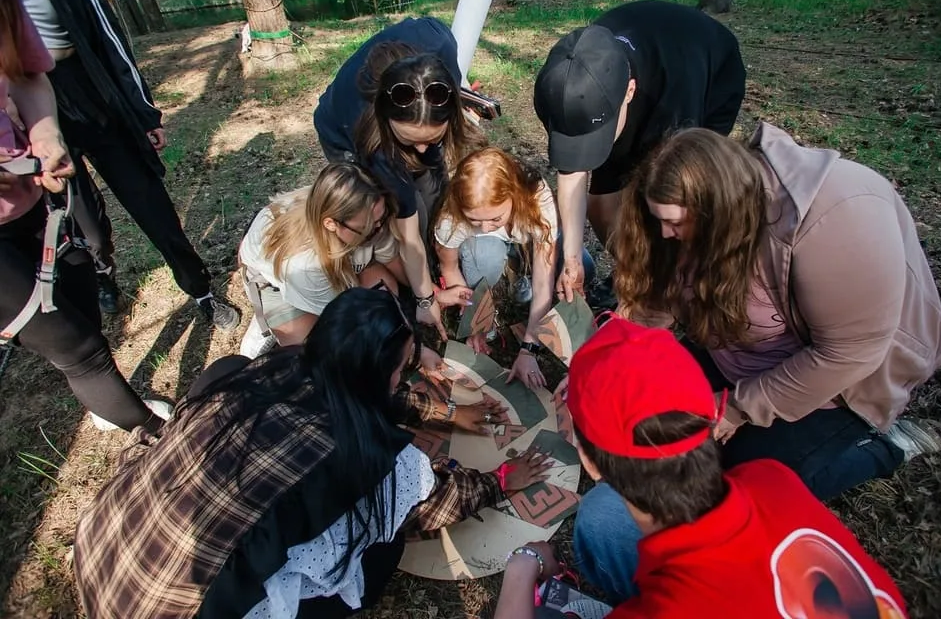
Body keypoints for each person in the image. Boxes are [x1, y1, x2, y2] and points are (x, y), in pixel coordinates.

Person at [74, 287, 551, 618]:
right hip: (185, 608)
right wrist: (502, 480)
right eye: (402, 370)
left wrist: (441, 413)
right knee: (383, 550)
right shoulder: (363, 452)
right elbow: (434, 503)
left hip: (105, 552)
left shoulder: (264, 369)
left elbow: (355, 384)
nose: (403, 379)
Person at [610, 124, 941, 500]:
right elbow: (658, 297)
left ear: (717, 210)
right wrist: (616, 356)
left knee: (748, 487)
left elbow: (847, 355)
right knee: (646, 413)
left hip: (841, 386)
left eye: (674, 223)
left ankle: (882, 446)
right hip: (739, 349)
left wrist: (739, 408)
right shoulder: (693, 219)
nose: (667, 233)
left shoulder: (835, 218)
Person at [495, 318, 909, 618]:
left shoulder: (672, 609)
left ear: (588, 460)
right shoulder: (771, 477)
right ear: (713, 414)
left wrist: (522, 565)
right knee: (602, 519)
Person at [12, 0, 239, 327]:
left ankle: (200, 289)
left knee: (151, 205)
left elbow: (110, 38)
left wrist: (143, 112)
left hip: (89, 87)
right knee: (82, 221)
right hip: (35, 107)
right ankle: (103, 274)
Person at [1, 0, 169, 432]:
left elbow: (27, 73)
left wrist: (45, 136)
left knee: (81, 301)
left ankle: (103, 398)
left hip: (29, 197)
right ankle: (155, 435)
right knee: (78, 348)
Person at [533, 0, 745, 305]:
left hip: (704, 71)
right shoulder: (568, 85)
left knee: (664, 206)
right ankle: (634, 271)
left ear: (629, 91)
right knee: (601, 204)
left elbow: (674, 203)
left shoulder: (674, 106)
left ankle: (667, 287)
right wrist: (573, 259)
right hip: (621, 94)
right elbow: (572, 176)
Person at [314, 17, 484, 339]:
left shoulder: (440, 47)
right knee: (402, 211)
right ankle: (412, 290)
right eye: (410, 140)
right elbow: (406, 234)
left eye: (432, 137)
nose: (422, 149)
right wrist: (424, 298)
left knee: (436, 188)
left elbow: (429, 145)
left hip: (406, 110)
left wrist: (428, 148)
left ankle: (439, 263)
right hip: (343, 131)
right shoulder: (369, 136)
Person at [435, 146, 594, 389]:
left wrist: (529, 349)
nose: (485, 227)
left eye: (495, 219)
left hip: (526, 238)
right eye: (475, 221)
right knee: (485, 252)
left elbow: (544, 282)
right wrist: (475, 319)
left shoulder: (537, 198)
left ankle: (516, 267)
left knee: (584, 267)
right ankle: (502, 275)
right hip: (488, 248)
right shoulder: (451, 218)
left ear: (515, 195)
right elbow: (449, 267)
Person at [237, 163, 407, 355]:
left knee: (385, 295)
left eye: (381, 219)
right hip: (272, 283)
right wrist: (407, 350)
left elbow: (390, 258)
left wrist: (426, 296)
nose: (380, 228)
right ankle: (268, 322)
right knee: (321, 349)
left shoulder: (359, 209)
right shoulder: (304, 265)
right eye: (369, 226)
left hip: (335, 262)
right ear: (331, 224)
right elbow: (339, 318)